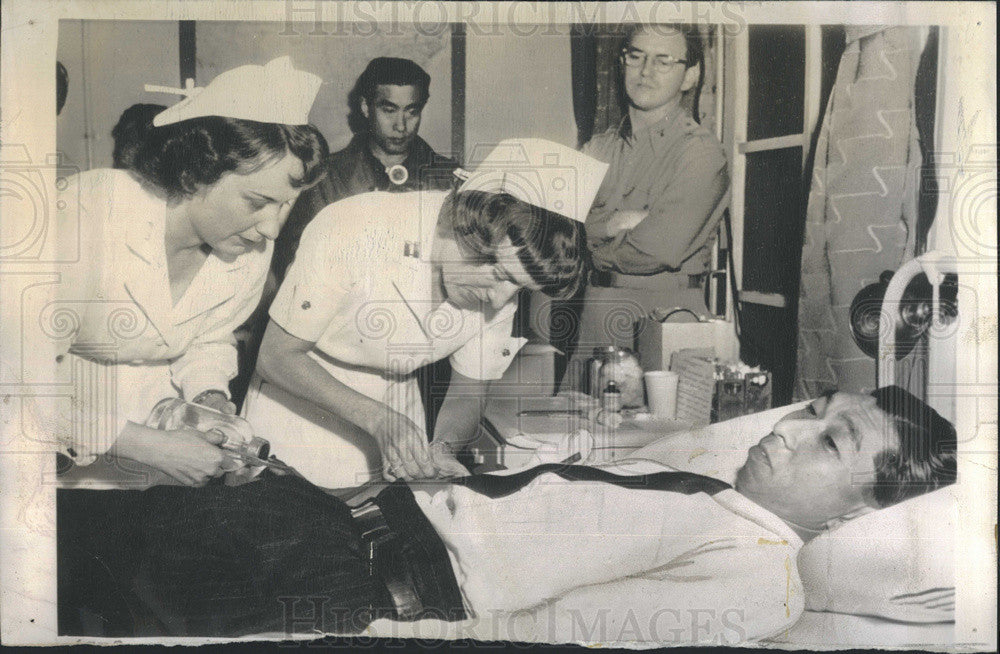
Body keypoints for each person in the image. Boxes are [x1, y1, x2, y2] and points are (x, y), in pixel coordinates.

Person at [57, 386, 956, 641]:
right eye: (813, 414)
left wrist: (363, 623)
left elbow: (552, 633)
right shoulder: (716, 496)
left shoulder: (762, 579)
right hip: (335, 526)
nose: (792, 433)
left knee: (55, 565)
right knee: (58, 536)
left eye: (833, 445)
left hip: (344, 579)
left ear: (854, 518)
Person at [34, 57, 329, 486]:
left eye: (286, 205)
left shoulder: (245, 240)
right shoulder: (84, 217)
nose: (271, 228)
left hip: (160, 452)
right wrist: (145, 445)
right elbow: (17, 383)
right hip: (54, 448)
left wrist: (208, 396)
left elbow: (208, 335)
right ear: (195, 173)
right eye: (256, 201)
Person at [241, 139, 602, 487]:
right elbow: (275, 357)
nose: (498, 301)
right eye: (500, 275)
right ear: (467, 222)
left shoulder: (501, 284)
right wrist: (379, 420)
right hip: (294, 428)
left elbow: (469, 390)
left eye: (518, 288)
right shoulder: (353, 226)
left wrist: (442, 449)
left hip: (397, 430)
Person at [559, 24, 730, 392]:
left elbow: (656, 250)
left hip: (665, 315)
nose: (645, 71)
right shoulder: (597, 149)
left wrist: (588, 229)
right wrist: (611, 226)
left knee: (662, 440)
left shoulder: (700, 152)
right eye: (635, 56)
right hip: (595, 314)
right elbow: (554, 237)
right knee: (578, 435)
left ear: (690, 75)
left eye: (664, 61)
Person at [272, 56, 459, 281]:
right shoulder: (323, 178)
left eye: (412, 111)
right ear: (365, 107)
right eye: (389, 110)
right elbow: (296, 263)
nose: (401, 126)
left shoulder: (450, 180)